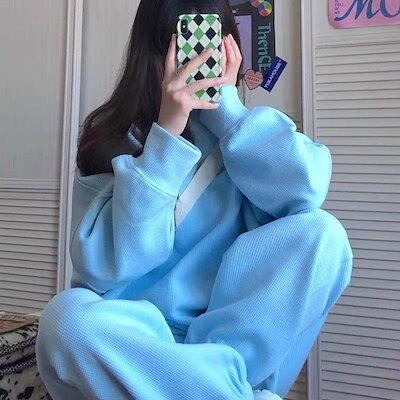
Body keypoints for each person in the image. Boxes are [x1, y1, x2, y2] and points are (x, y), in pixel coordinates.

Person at [35, 1, 354, 399]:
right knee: (65, 320)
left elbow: (306, 189)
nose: (197, 58)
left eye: (211, 41)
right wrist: (166, 136)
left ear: (230, 48)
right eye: (185, 43)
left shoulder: (245, 134)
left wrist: (229, 114)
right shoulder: (111, 136)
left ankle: (211, 383)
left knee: (324, 233)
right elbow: (104, 270)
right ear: (155, 51)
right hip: (137, 341)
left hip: (226, 342)